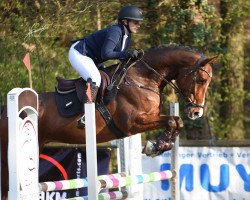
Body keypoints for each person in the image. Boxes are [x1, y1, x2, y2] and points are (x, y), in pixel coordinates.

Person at [68, 5, 143, 128]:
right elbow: (106, 53)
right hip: (79, 53)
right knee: (95, 78)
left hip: (93, 58)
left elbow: (119, 56)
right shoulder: (116, 31)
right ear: (125, 21)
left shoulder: (127, 36)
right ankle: (86, 115)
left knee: (108, 77)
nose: (138, 25)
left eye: (138, 23)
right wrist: (127, 53)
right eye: (135, 22)